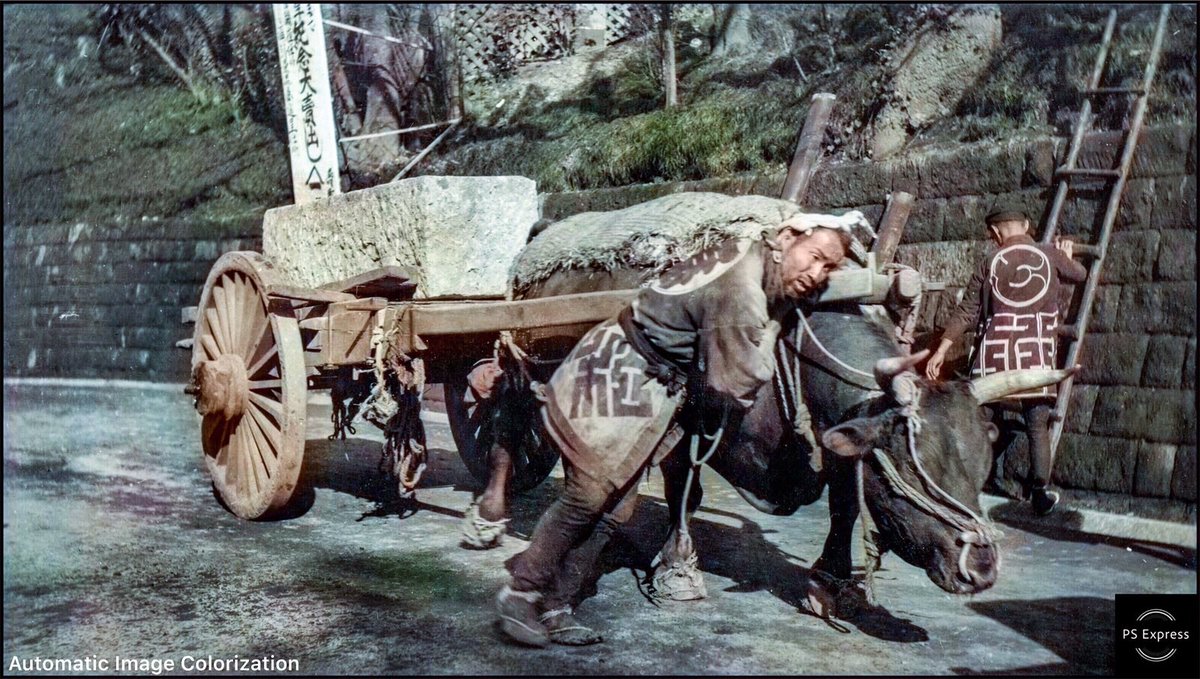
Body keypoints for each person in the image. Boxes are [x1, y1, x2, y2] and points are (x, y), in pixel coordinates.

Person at [494, 214, 856, 648]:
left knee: (617, 509)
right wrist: (775, 327)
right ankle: (520, 594)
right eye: (814, 257)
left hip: (650, 384)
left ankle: (556, 604)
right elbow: (735, 382)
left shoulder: (751, 252)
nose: (817, 273)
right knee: (586, 496)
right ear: (786, 237)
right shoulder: (741, 293)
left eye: (829, 267)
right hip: (619, 371)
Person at [925, 202, 1087, 516]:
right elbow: (1078, 274)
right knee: (1037, 425)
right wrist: (1066, 256)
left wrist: (942, 349)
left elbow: (967, 312)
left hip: (993, 355)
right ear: (1025, 226)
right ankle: (1040, 493)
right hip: (1034, 351)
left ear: (995, 232)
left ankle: (963, 486)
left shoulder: (989, 260)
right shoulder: (1048, 254)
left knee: (980, 420)